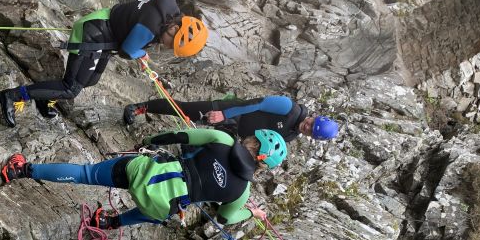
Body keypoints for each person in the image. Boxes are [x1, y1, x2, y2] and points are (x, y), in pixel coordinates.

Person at [0, 127, 287, 229]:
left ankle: (21, 170)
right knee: (158, 211)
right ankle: (108, 222)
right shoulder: (241, 193)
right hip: (164, 205)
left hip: (146, 172)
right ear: (263, 166)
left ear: (251, 139)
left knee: (85, 174)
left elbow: (179, 136)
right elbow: (223, 220)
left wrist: (149, 140)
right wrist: (252, 213)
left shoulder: (222, 139)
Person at [0, 0, 208, 126]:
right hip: (93, 33)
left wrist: (130, 16)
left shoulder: (169, 3)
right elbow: (127, 51)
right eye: (171, 42)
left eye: (172, 48)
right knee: (71, 88)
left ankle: (45, 99)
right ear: (174, 28)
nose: (167, 46)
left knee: (92, 79)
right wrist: (142, 53)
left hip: (105, 30)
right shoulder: (150, 27)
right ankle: (13, 96)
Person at [123, 94, 339, 142]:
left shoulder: (291, 135)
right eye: (312, 123)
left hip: (232, 133)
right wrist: (223, 114)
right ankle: (140, 107)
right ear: (315, 117)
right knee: (184, 110)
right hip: (231, 111)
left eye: (311, 130)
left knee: (195, 139)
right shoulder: (288, 107)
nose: (307, 126)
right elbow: (255, 103)